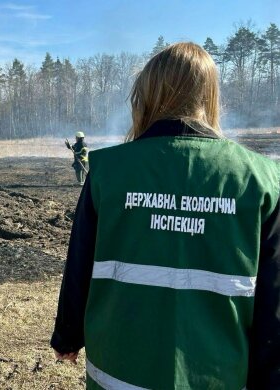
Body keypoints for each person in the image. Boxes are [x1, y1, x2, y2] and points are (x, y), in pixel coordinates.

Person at [51, 42, 280, 389]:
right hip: (217, 376)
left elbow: (80, 262)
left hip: (119, 375)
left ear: (146, 95)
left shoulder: (108, 170)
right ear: (210, 95)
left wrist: (67, 336)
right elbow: (272, 296)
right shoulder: (262, 178)